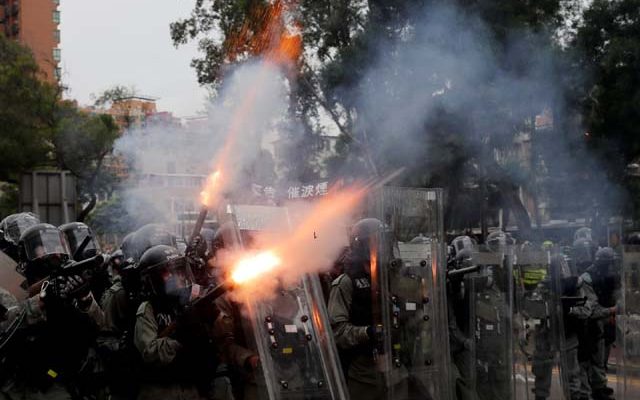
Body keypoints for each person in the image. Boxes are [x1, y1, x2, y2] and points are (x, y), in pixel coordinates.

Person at [6, 223, 105, 400]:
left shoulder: (69, 279)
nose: (55, 253)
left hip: (64, 376)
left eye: (58, 246)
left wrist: (84, 299)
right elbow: (7, 324)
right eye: (43, 248)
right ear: (26, 255)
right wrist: (43, 299)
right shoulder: (15, 288)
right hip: (24, 382)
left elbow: (102, 325)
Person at [328, 218, 406, 400]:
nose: (384, 246)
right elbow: (337, 332)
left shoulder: (391, 278)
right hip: (365, 376)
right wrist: (368, 332)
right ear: (362, 245)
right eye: (378, 241)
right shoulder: (346, 284)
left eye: (385, 240)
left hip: (397, 372)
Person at [133, 244, 217, 400]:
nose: (176, 277)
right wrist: (180, 339)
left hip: (192, 386)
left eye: (178, 270)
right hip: (161, 390)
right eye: (167, 273)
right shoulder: (148, 308)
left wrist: (210, 318)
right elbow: (150, 353)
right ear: (152, 279)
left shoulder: (190, 299)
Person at [578, 247, 618, 400]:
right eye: (609, 264)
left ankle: (600, 383)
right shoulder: (587, 278)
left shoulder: (607, 277)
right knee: (596, 358)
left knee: (603, 357)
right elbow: (592, 311)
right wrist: (613, 310)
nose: (611, 267)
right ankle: (597, 389)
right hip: (593, 325)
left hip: (607, 322)